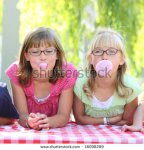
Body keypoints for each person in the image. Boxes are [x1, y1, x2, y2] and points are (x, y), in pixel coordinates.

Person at [6, 27, 78, 130]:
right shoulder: (17, 73)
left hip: (58, 132)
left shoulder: (67, 74)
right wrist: (29, 121)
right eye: (35, 52)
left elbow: (64, 116)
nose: (43, 57)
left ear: (57, 54)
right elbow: (21, 115)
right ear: (26, 56)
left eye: (49, 51)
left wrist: (47, 122)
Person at [73, 28, 142, 127]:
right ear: (91, 59)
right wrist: (108, 120)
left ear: (121, 59)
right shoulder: (80, 84)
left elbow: (127, 121)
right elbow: (80, 119)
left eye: (111, 51)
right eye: (98, 51)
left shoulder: (130, 88)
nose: (104, 57)